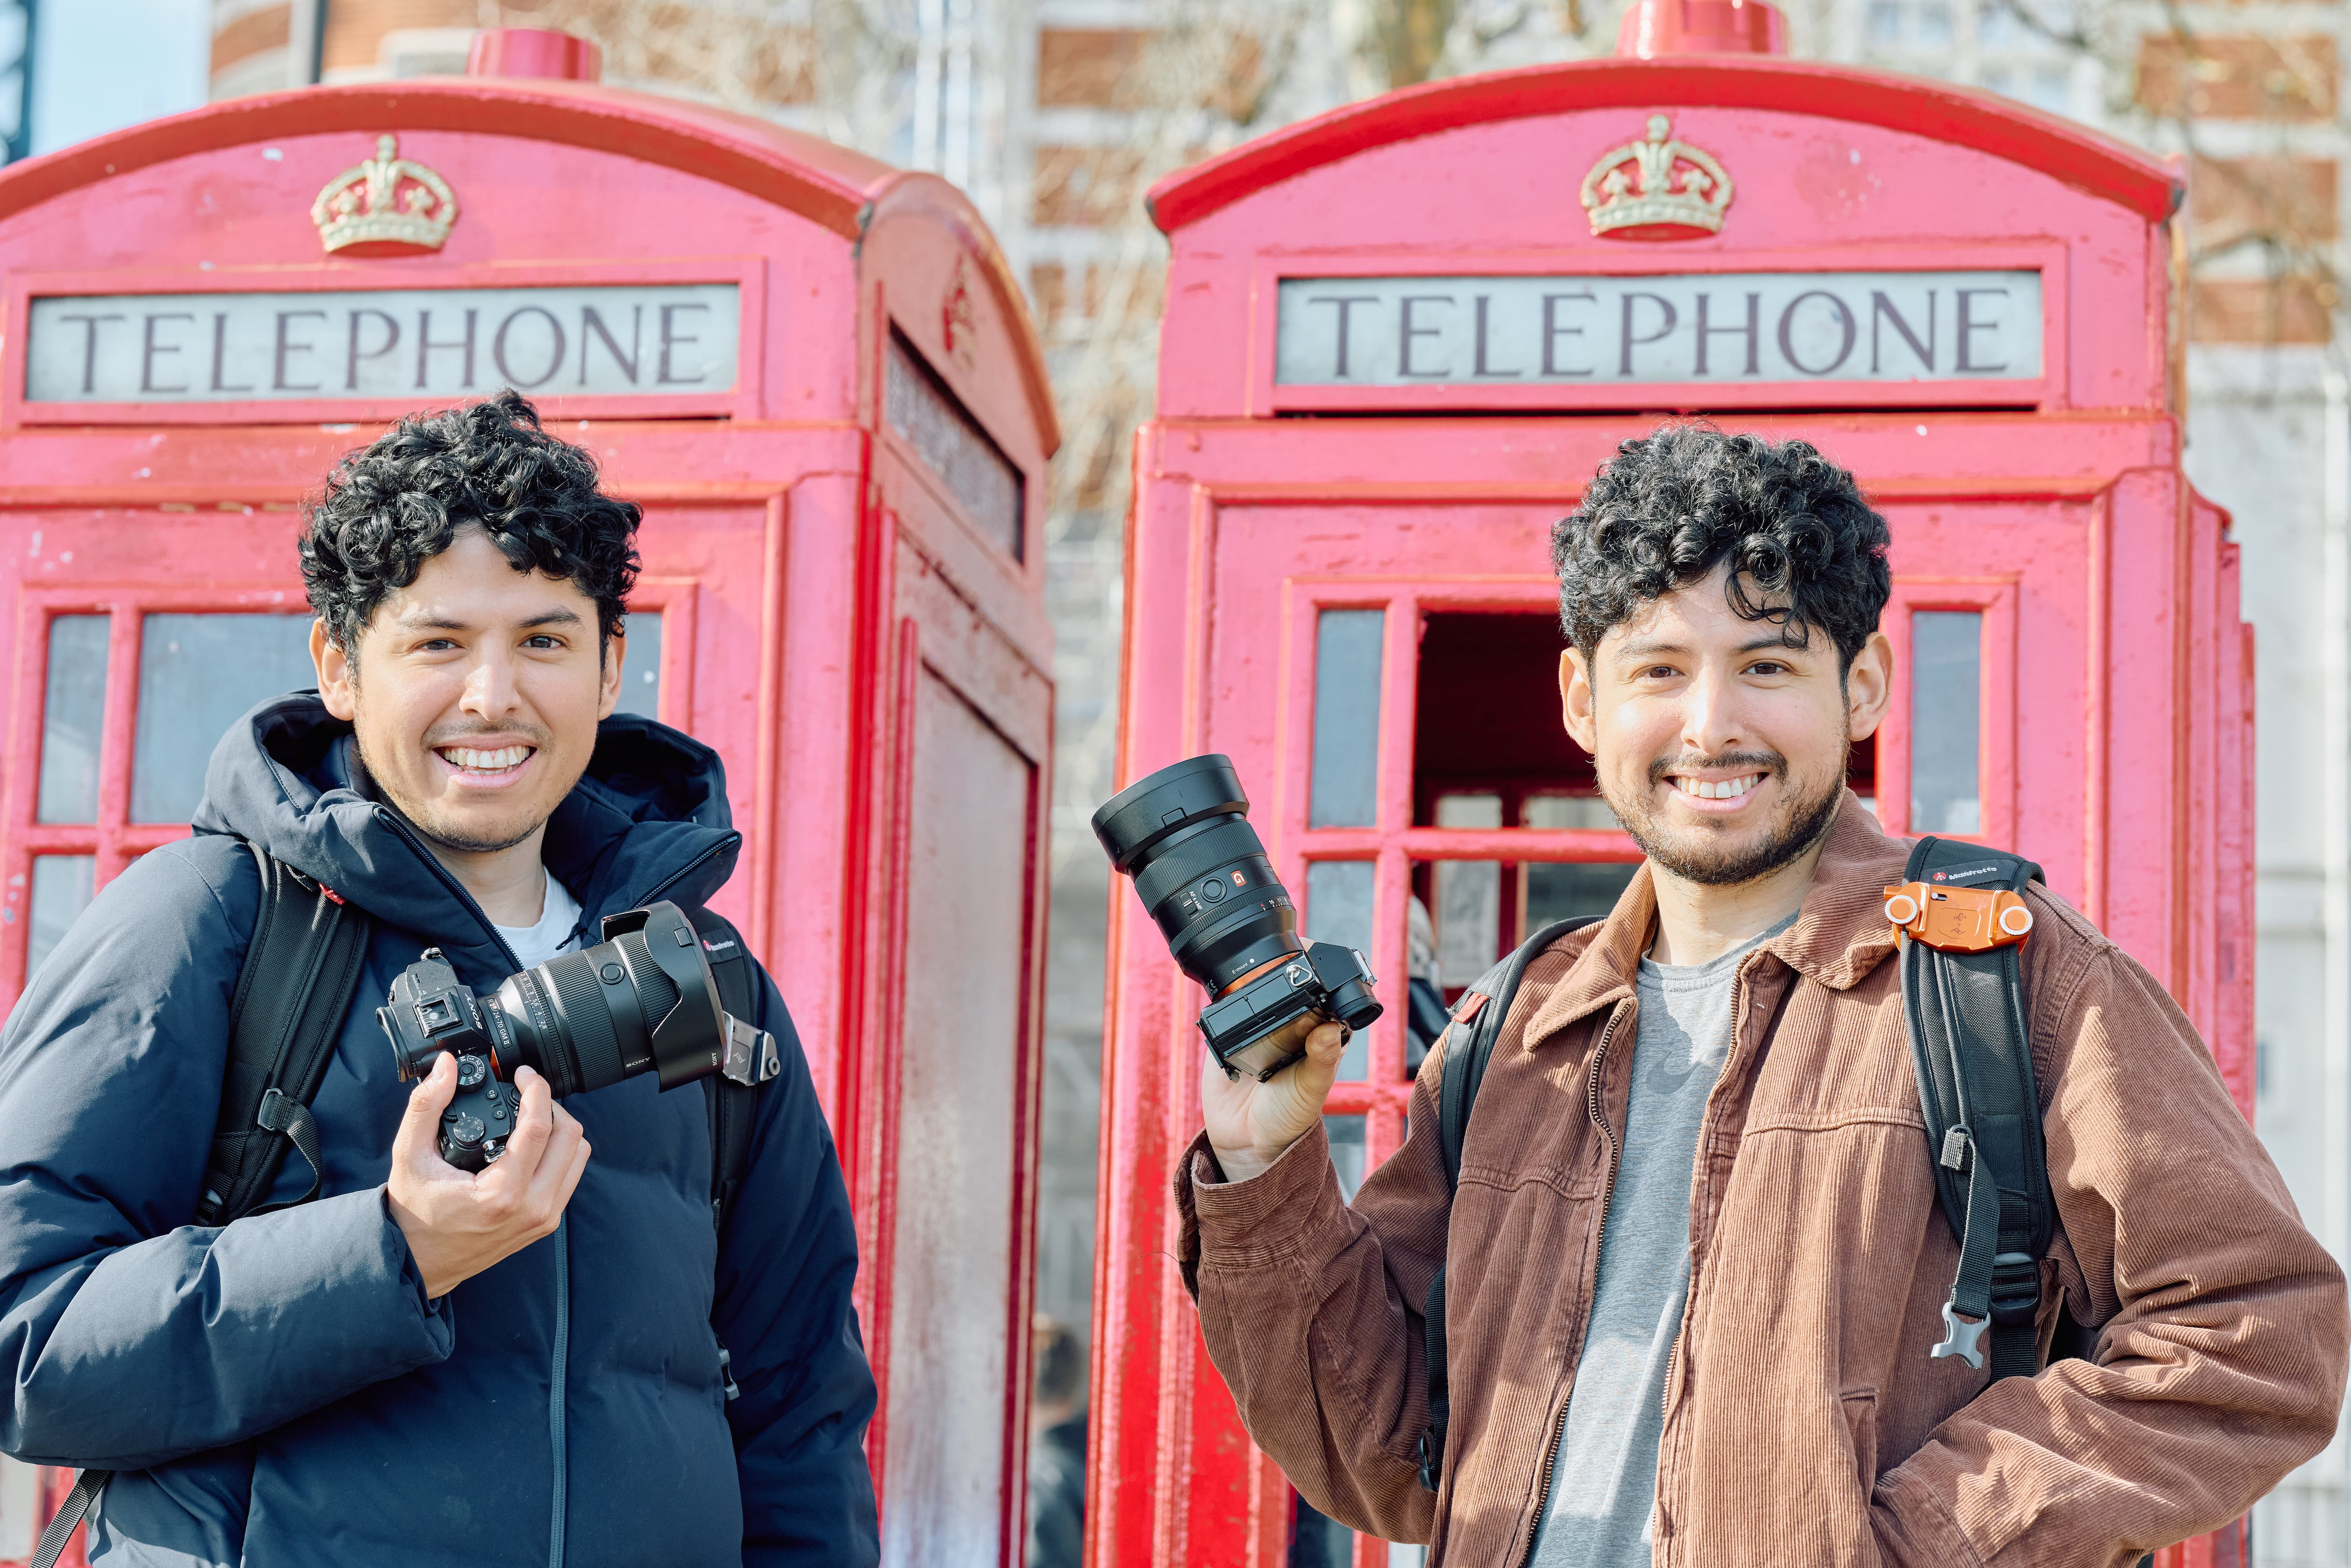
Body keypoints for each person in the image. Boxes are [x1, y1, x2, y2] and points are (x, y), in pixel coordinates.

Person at [1176, 425, 2351, 1566]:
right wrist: (1267, 1171)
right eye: (1659, 669)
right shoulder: (1520, 1026)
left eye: (1767, 665)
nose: (1710, 725)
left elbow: (2254, 1342)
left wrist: (1904, 1543)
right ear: (1584, 701)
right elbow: (1384, 1460)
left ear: (1863, 686)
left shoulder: (2011, 975)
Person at [0, 393, 878, 1566]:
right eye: (438, 642)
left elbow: (798, 1410)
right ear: (340, 664)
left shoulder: (706, 984)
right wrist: (394, 1251)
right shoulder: (209, 920)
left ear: (612, 666)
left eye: (544, 641)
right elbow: (27, 1347)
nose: (491, 698)